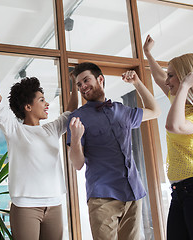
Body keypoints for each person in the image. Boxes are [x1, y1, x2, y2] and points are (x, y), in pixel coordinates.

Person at [0, 35, 78, 240]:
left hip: (55, 204)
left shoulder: (52, 128)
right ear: (28, 107)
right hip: (25, 207)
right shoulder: (14, 129)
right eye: (42, 100)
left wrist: (74, 84)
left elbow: (71, 112)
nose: (47, 103)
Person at [67, 62, 160, 240]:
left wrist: (137, 83)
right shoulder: (77, 117)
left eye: (86, 80)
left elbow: (155, 111)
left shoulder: (122, 110)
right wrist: (76, 138)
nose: (83, 87)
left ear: (100, 79)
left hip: (133, 193)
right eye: (79, 85)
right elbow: (78, 164)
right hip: (102, 197)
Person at [143, 35, 193, 240]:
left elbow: (174, 126)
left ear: (186, 77)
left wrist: (184, 86)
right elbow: (159, 78)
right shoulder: (182, 105)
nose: (166, 81)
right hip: (180, 191)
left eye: (172, 76)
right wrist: (148, 54)